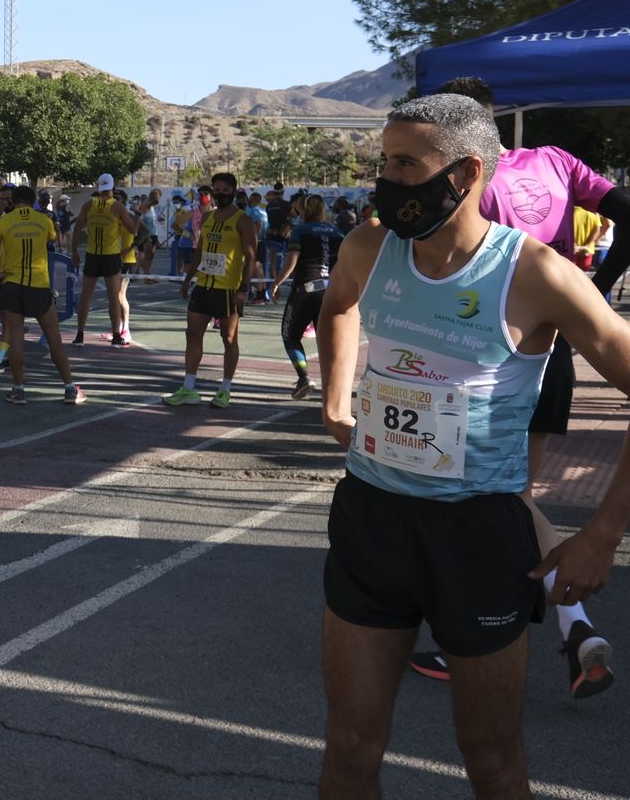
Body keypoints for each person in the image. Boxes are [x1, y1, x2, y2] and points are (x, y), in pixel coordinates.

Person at [316, 93, 630, 797]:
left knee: (490, 760)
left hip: (478, 534)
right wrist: (336, 399)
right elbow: (336, 305)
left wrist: (602, 534)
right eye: (384, 162)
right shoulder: (369, 247)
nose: (388, 180)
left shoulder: (537, 274)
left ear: (466, 173)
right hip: (371, 517)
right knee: (349, 746)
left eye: (406, 164)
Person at [404, 75, 630, 694]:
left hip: (488, 349)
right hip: (555, 346)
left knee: (484, 504)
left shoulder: (470, 183)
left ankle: (483, 635)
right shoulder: (555, 161)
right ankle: (572, 627)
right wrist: (596, 288)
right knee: (515, 497)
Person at [164, 172, 257, 409]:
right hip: (203, 286)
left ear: (234, 193)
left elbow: (251, 257)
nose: (220, 194)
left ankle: (225, 389)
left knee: (228, 338)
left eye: (226, 190)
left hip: (228, 289)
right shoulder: (207, 219)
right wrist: (187, 280)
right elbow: (199, 252)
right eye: (217, 190)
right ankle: (189, 388)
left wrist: (243, 289)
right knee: (193, 334)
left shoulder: (243, 220)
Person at [0, 185, 85, 405]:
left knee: (17, 338)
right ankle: (69, 388)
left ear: (14, 200)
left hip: (12, 284)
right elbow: (53, 239)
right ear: (33, 201)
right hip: (38, 285)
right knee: (54, 339)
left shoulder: (5, 221)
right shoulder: (44, 220)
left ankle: (18, 390)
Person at [270, 194, 343, 400]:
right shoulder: (338, 233)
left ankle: (304, 377)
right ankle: (333, 387)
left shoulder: (300, 231)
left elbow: (292, 261)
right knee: (326, 341)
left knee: (290, 336)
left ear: (303, 211)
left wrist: (276, 283)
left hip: (305, 290)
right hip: (330, 291)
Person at [72, 174, 139, 348]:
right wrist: (137, 216)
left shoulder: (88, 205)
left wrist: (73, 251)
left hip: (92, 255)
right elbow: (132, 229)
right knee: (113, 297)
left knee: (86, 297)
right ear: (112, 188)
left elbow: (77, 229)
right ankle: (116, 335)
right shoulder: (118, 207)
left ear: (98, 186)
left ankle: (80, 335)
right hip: (111, 256)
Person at [245, 191, 270, 303]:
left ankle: (258, 296)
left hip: (257, 242)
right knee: (259, 268)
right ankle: (262, 294)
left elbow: (258, 224)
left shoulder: (254, 211)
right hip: (262, 241)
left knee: (255, 268)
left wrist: (253, 238)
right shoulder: (263, 211)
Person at [573, 206, 608, 270]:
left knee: (570, 274)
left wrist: (574, 244)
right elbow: (597, 230)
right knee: (583, 275)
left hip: (573, 249)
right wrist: (587, 245)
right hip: (588, 250)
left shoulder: (571, 211)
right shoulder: (594, 212)